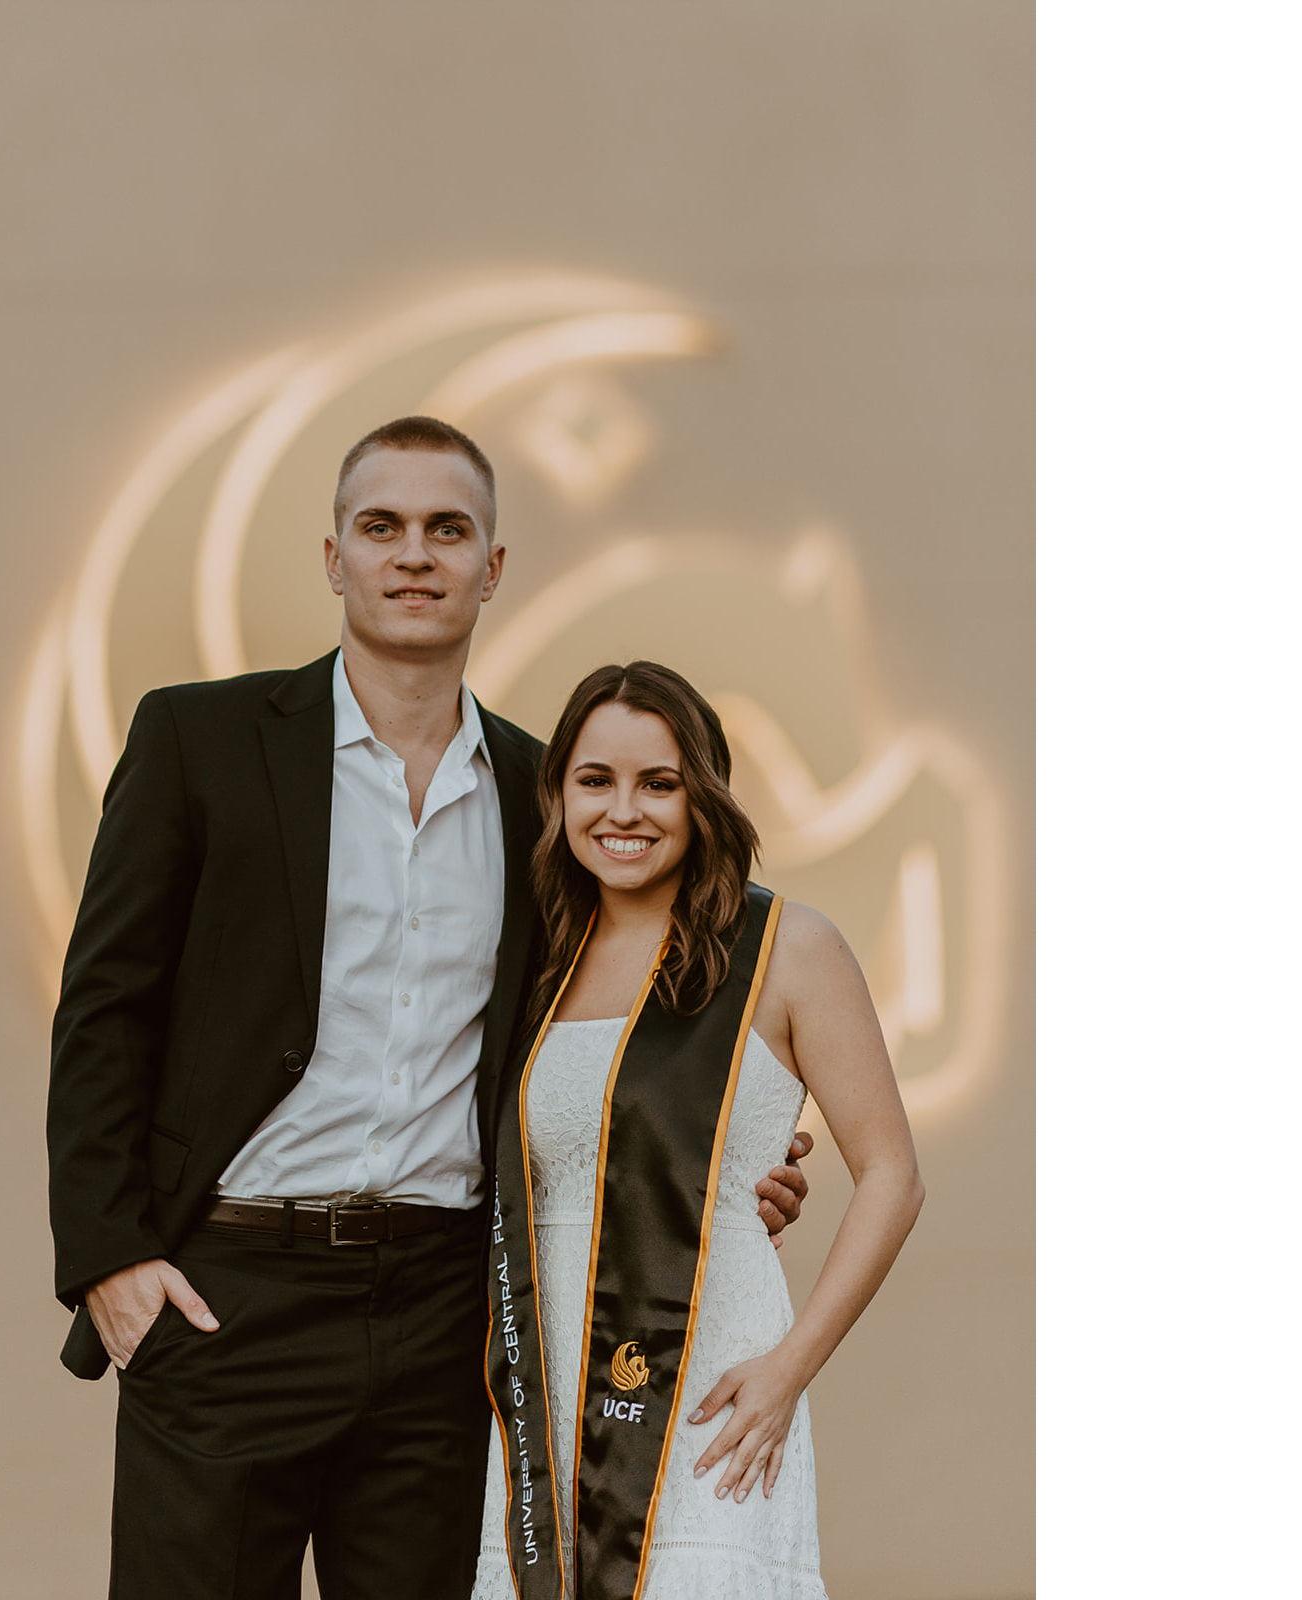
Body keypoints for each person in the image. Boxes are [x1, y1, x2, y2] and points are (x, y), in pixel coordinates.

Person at [45, 415, 815, 1599]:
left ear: (491, 566)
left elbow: (612, 1015)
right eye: (382, 526)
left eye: (447, 529)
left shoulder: (539, 795)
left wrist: (731, 1144)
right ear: (334, 556)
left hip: (443, 1317)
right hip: (224, 1297)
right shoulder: (200, 741)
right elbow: (105, 1010)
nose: (414, 553)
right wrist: (113, 1258)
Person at [471, 662, 926, 1600]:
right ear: (558, 795)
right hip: (540, 1387)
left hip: (714, 1384)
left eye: (659, 783)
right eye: (595, 780)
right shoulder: (540, 959)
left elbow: (892, 1175)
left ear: (703, 797)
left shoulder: (787, 947)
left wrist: (789, 1370)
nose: (623, 811)